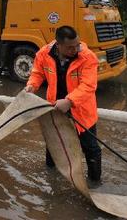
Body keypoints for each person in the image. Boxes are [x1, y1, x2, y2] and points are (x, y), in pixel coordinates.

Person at [24, 26, 102, 182]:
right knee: (54, 144)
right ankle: (51, 178)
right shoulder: (44, 54)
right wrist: (32, 86)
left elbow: (89, 86)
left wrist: (69, 101)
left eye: (77, 45)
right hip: (55, 109)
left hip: (82, 112)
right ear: (58, 45)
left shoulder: (88, 57)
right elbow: (37, 73)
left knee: (91, 148)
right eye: (70, 47)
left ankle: (95, 182)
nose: (75, 49)